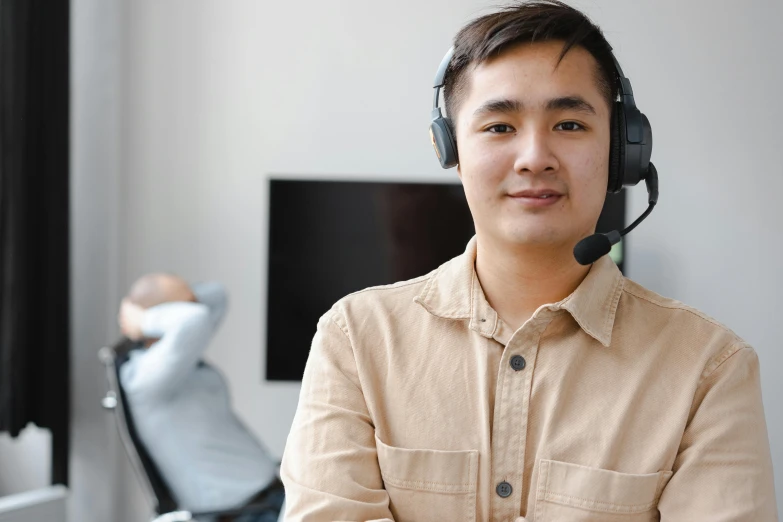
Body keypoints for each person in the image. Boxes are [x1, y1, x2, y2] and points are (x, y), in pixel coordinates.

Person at [279, 1, 777, 521]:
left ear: (620, 150)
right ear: (450, 150)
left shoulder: (709, 367)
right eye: (499, 126)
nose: (535, 156)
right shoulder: (356, 339)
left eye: (568, 124)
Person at [118, 274, 285, 522]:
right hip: (247, 515)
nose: (196, 307)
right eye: (183, 306)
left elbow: (218, 295)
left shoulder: (181, 359)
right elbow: (195, 319)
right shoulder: (145, 378)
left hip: (272, 496)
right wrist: (141, 320)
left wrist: (180, 300)